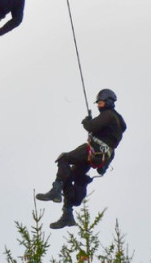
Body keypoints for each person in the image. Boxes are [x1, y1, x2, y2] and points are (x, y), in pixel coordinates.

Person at [36, 88, 127, 230]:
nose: (99, 106)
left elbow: (91, 126)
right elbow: (106, 132)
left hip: (94, 150)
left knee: (64, 159)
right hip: (101, 157)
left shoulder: (109, 115)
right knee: (74, 175)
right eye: (98, 104)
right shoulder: (118, 121)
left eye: (101, 103)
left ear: (109, 103)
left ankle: (56, 189)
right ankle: (67, 214)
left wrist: (86, 121)